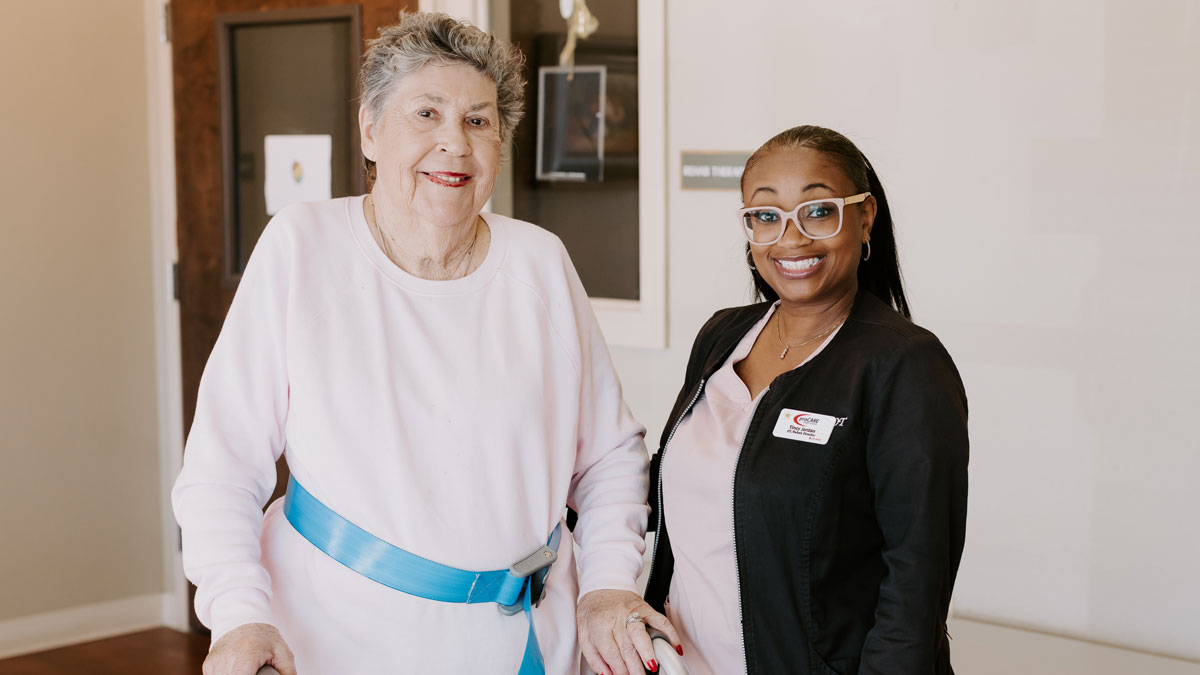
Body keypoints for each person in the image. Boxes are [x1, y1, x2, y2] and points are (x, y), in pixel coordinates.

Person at [173, 13, 677, 675]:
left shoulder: (539, 262)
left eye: (478, 120)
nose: (455, 144)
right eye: (427, 114)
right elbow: (221, 470)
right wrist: (239, 614)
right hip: (334, 642)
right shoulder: (303, 247)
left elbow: (610, 455)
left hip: (529, 642)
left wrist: (609, 584)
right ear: (370, 129)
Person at [643, 125, 969, 674]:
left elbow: (915, 580)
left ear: (864, 218)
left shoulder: (903, 364)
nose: (790, 240)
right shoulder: (723, 336)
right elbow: (688, 482)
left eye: (818, 212)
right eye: (765, 217)